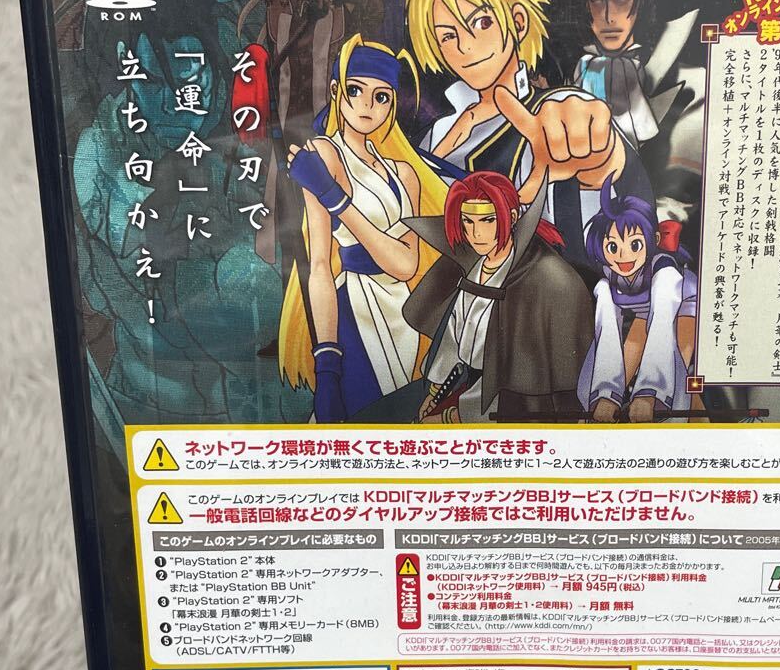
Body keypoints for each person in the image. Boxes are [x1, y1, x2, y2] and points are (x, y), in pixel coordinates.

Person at [405, 0, 653, 284]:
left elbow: (600, 185)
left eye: (481, 22)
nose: (465, 46)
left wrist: (601, 163)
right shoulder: (439, 131)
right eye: (448, 36)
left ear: (518, 22)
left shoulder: (552, 109)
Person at [278, 34, 447, 421]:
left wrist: (334, 197)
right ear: (337, 92)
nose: (367, 105)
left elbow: (405, 265)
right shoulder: (325, 154)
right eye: (355, 91)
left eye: (381, 96)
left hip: (404, 317)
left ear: (393, 103)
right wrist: (327, 365)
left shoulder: (404, 173)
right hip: (354, 310)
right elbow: (319, 266)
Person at [401, 172, 593, 423]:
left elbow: (520, 374)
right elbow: (453, 335)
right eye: (467, 221)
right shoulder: (471, 263)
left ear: (511, 217)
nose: (476, 233)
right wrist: (437, 391)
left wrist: (451, 417)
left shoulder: (544, 278)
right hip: (465, 384)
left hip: (519, 403)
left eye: (488, 220)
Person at [578, 175, 698, 422]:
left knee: (679, 376)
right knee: (616, 383)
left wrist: (648, 395)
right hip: (643, 311)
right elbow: (606, 334)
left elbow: (662, 323)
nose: (623, 257)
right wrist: (605, 395)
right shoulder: (605, 284)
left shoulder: (665, 274)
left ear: (653, 240)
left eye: (634, 245)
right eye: (613, 247)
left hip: (682, 304)